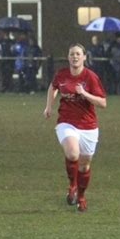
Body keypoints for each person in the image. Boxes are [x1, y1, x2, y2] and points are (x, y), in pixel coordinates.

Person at [43, 43, 107, 212]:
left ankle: (81, 197)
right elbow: (53, 86)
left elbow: (103, 103)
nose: (75, 57)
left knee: (84, 166)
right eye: (72, 54)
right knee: (72, 153)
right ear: (68, 56)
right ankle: (72, 185)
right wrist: (48, 106)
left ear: (84, 57)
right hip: (67, 122)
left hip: (88, 126)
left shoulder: (90, 77)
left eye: (78, 54)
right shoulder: (62, 74)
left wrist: (84, 93)